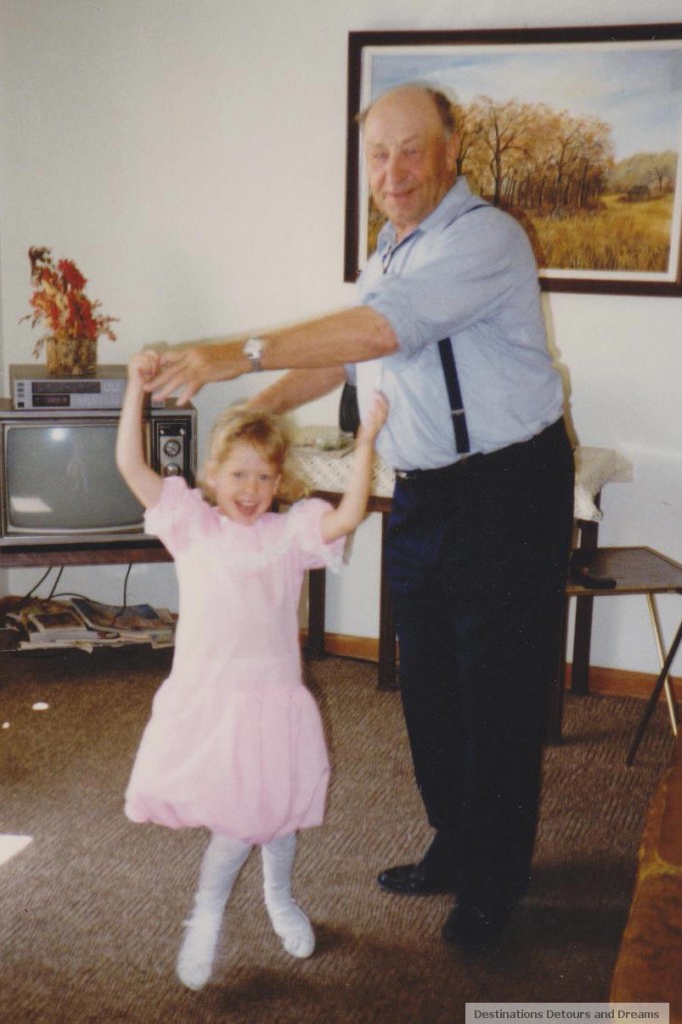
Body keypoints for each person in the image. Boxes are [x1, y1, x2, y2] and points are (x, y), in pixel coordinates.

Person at [142, 82, 575, 956]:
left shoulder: (485, 238)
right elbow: (344, 355)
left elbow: (380, 333)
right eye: (377, 154)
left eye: (411, 150)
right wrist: (251, 419)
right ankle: (455, 843)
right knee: (427, 685)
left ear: (451, 150)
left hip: (505, 486)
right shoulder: (387, 252)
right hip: (422, 488)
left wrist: (233, 352)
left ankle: (496, 884)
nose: (393, 171)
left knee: (495, 691)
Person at [116, 349, 388, 989]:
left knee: (282, 815)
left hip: (273, 701)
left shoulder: (290, 532)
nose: (249, 490)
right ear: (211, 475)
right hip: (213, 703)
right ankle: (205, 917)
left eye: (263, 478)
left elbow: (348, 516)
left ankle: (279, 896)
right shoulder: (191, 527)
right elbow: (131, 462)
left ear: (278, 483)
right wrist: (137, 390)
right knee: (239, 825)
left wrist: (367, 442)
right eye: (238, 475)